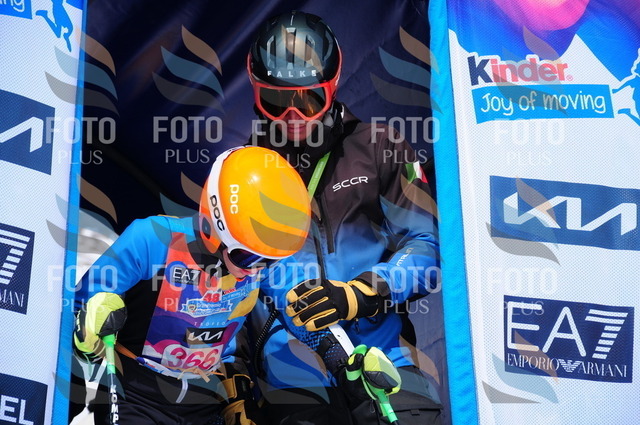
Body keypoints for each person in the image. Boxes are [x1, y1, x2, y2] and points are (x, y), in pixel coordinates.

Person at [246, 10, 443, 425]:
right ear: (254, 88)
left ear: (333, 85)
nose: (292, 117)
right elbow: (230, 274)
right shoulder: (245, 171)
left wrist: (360, 293)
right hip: (292, 369)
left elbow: (426, 249)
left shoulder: (379, 146)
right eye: (276, 102)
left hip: (383, 355)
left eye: (309, 101)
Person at [73, 146, 311, 425]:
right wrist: (91, 326)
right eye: (246, 257)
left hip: (207, 398)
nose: (255, 269)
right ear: (214, 228)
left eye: (269, 261)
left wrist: (344, 308)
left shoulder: (262, 259)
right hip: (136, 392)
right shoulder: (153, 239)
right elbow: (80, 309)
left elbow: (306, 302)